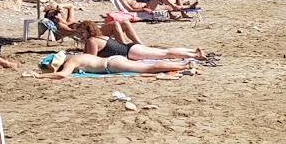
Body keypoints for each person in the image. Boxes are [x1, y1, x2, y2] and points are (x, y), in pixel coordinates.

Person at [67, 20, 215, 64]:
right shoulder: (98, 38)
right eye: (79, 32)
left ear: (89, 32)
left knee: (165, 54)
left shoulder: (92, 41)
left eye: (82, 32)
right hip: (131, 49)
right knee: (164, 52)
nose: (80, 35)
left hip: (131, 53)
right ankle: (192, 51)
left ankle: (195, 56)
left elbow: (91, 59)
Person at [33, 50, 196, 79]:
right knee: (147, 66)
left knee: (149, 68)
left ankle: (184, 66)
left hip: (111, 66)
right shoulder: (76, 56)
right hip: (113, 60)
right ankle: (183, 65)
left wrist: (41, 77)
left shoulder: (72, 62)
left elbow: (62, 75)